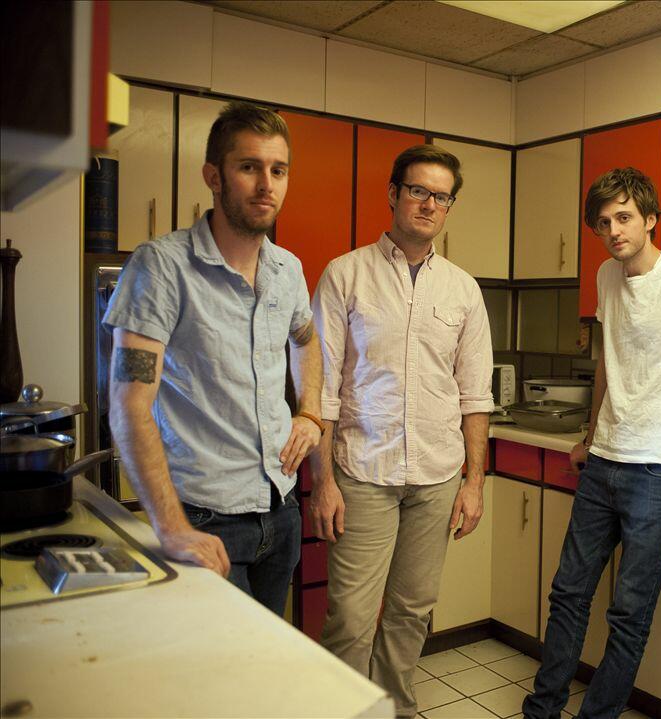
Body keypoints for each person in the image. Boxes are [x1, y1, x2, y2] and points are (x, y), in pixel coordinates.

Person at [524, 168, 661, 719]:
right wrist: (589, 437)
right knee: (568, 593)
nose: (613, 231)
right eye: (602, 222)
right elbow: (607, 364)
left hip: (660, 468)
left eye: (623, 217)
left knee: (629, 613)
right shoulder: (606, 275)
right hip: (603, 461)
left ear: (650, 219)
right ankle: (541, 710)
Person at [105, 102, 323, 615]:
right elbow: (129, 406)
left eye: (278, 170)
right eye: (249, 167)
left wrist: (311, 413)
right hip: (206, 520)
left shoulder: (287, 269)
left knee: (267, 655)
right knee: (225, 660)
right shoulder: (161, 266)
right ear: (214, 176)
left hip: (281, 510)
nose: (266, 185)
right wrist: (172, 527)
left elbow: (307, 340)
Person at [309, 144, 494, 718]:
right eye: (418, 191)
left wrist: (474, 482)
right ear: (393, 194)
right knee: (351, 617)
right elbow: (321, 391)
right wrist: (323, 482)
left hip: (437, 476)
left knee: (412, 611)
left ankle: (396, 709)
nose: (429, 204)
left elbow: (475, 395)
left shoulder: (463, 289)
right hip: (363, 471)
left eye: (442, 196)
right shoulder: (345, 275)